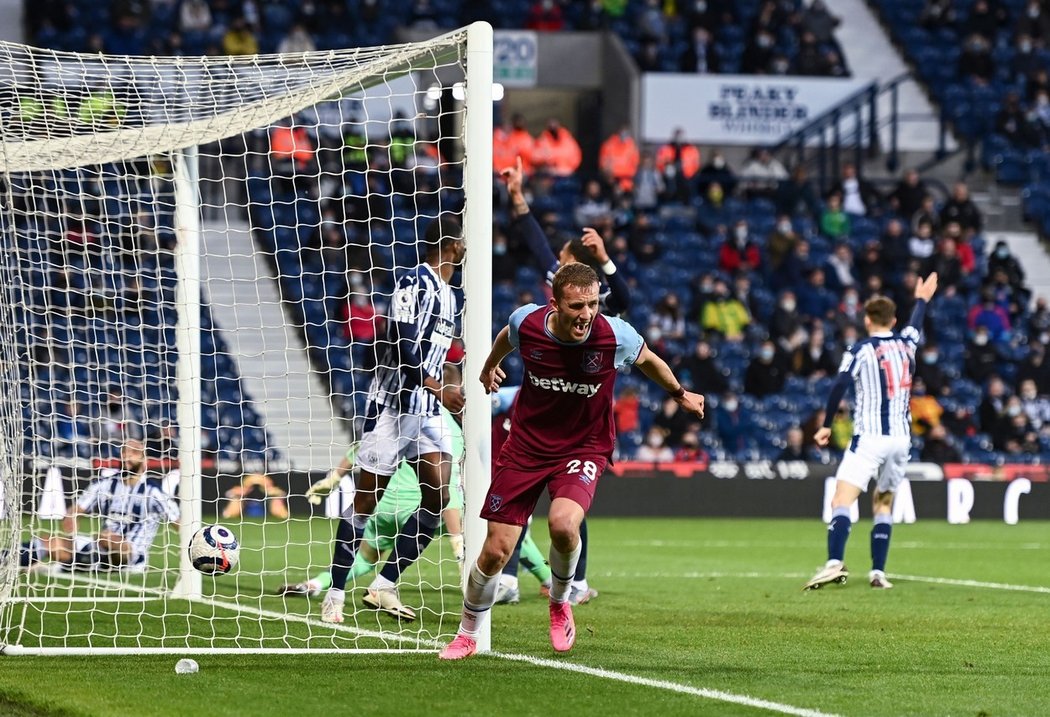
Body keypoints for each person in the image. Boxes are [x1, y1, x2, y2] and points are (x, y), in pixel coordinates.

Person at [439, 263, 704, 659]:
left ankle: (560, 601)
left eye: (593, 304)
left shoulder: (615, 335)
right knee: (495, 550)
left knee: (564, 524)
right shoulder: (527, 322)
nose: (586, 314)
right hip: (525, 446)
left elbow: (648, 359)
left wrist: (681, 394)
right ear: (555, 303)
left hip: (583, 446)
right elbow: (505, 338)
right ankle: (467, 633)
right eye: (577, 305)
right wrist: (489, 366)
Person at [318, 215, 466, 625]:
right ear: (451, 247)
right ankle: (334, 591)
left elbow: (448, 347)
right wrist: (440, 387)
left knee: (438, 497)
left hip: (429, 412)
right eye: (463, 243)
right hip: (391, 407)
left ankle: (385, 582)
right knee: (365, 502)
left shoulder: (455, 297)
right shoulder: (410, 283)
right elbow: (400, 342)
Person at [281, 363, 466, 610]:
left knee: (367, 556)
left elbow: (361, 448)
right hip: (419, 507)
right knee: (486, 524)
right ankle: (503, 582)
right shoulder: (449, 429)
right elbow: (449, 491)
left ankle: (317, 584)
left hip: (384, 504)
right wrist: (458, 544)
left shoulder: (402, 409)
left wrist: (333, 479)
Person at [804, 273, 938, 591]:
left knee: (842, 498)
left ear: (867, 320)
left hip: (870, 437)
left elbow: (840, 383)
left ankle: (834, 562)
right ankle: (878, 572)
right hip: (901, 440)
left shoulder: (862, 349)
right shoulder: (907, 344)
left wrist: (825, 424)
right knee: (883, 502)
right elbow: (915, 326)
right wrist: (922, 301)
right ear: (893, 319)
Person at [18, 438, 179, 573]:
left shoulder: (153, 492)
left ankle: (74, 563)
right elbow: (75, 510)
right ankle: (10, 559)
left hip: (131, 555)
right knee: (49, 542)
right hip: (100, 546)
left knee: (107, 538)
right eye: (124, 452)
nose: (127, 456)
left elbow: (178, 522)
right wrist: (71, 522)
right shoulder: (105, 484)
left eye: (134, 452)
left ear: (144, 461)